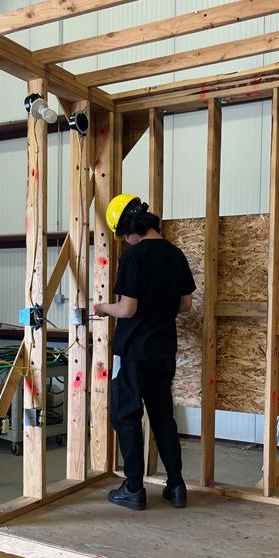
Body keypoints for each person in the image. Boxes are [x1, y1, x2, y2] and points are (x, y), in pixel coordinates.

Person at [94, 194, 196, 511]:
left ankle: (134, 488)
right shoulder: (175, 254)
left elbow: (127, 309)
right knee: (163, 415)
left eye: (124, 235)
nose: (126, 241)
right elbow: (186, 304)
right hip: (164, 349)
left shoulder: (134, 257)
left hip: (134, 351)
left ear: (129, 229)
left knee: (126, 416)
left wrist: (101, 307)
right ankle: (176, 486)